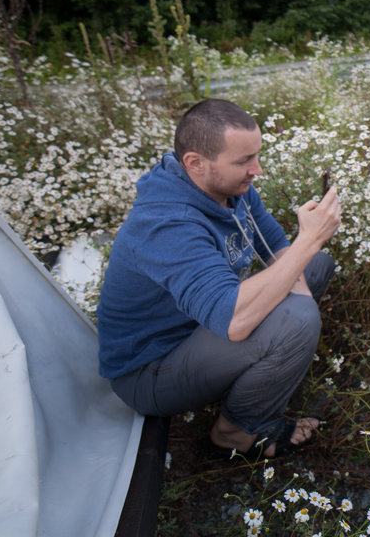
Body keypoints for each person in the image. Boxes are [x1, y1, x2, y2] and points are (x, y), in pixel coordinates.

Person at [97, 98, 342, 460]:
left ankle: (266, 369)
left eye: (256, 155)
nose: (257, 170)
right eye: (244, 161)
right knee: (298, 317)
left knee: (314, 267)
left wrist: (304, 268)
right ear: (195, 163)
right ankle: (234, 434)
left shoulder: (228, 188)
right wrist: (308, 242)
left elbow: (275, 246)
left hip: (201, 329)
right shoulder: (167, 223)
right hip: (151, 371)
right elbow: (234, 321)